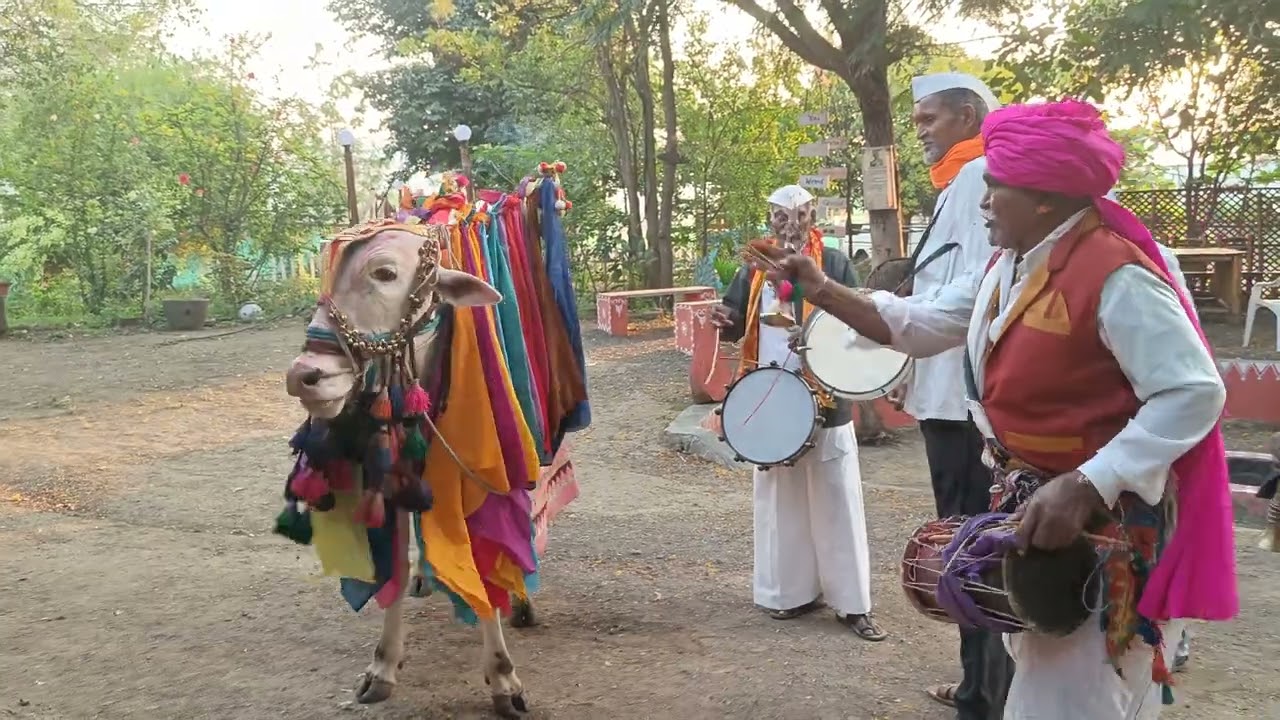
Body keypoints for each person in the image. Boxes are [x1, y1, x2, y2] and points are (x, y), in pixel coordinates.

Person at [750, 100, 1239, 718]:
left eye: (994, 188)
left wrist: (1089, 484)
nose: (982, 203)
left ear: (1044, 197)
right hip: (1039, 506)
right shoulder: (1009, 266)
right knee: (1060, 680)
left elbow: (1194, 392)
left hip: (1101, 523)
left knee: (1074, 693)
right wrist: (821, 289)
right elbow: (919, 321)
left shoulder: (1118, 275)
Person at [710, 184, 885, 641]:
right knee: (778, 498)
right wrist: (724, 319)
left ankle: (852, 604)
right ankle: (786, 593)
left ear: (812, 217)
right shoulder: (754, 265)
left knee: (836, 498)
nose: (790, 226)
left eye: (800, 216)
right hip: (767, 392)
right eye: (780, 218)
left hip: (825, 397)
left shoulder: (834, 263)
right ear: (769, 218)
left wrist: (815, 334)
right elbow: (732, 315)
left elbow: (855, 316)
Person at [905, 72, 1015, 718]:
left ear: (969, 115)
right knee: (967, 542)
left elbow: (972, 296)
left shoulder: (977, 178)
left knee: (970, 546)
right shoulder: (959, 182)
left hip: (957, 400)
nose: (920, 131)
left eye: (930, 119)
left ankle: (986, 695)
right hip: (942, 391)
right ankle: (979, 684)